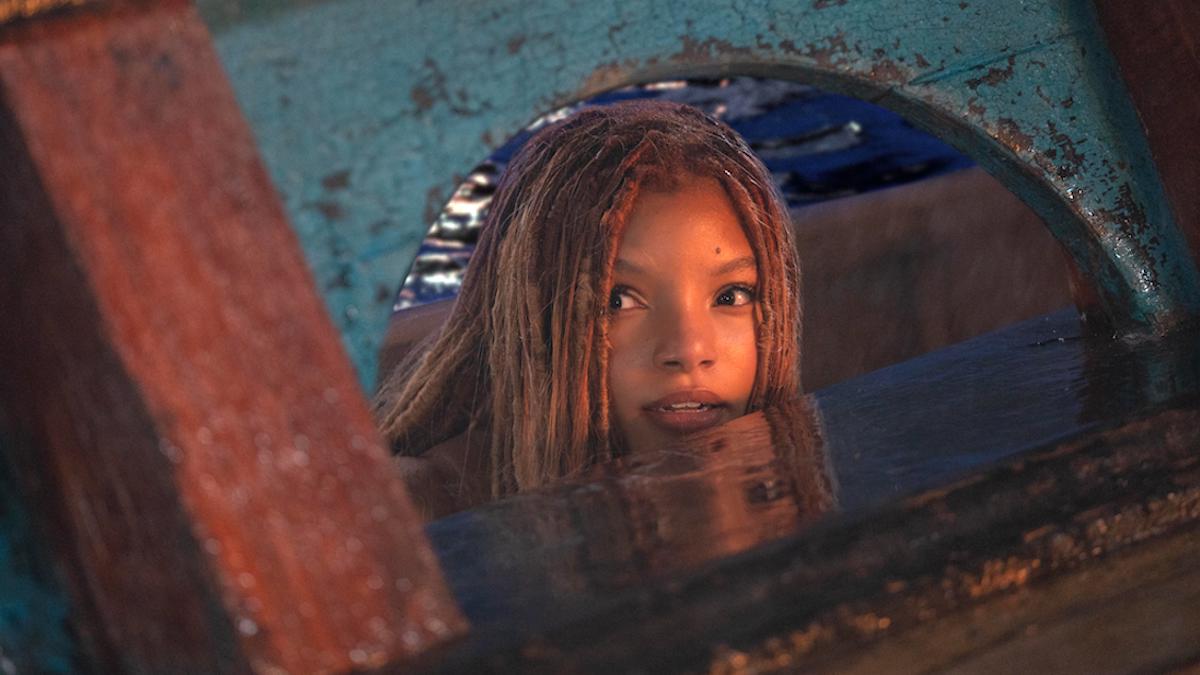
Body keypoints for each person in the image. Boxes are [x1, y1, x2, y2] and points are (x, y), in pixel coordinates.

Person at [374, 99, 802, 517]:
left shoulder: (799, 479)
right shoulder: (420, 512)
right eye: (619, 300)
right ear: (535, 319)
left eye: (731, 296)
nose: (689, 349)